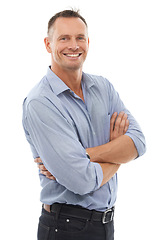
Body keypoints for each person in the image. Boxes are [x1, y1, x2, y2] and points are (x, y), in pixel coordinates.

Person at [22, 9, 146, 240]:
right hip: (66, 228)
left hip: (105, 224)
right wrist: (118, 154)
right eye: (64, 38)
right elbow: (83, 180)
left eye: (80, 38)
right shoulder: (41, 102)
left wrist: (85, 156)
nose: (73, 45)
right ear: (48, 45)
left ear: (88, 42)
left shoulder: (103, 87)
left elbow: (138, 142)